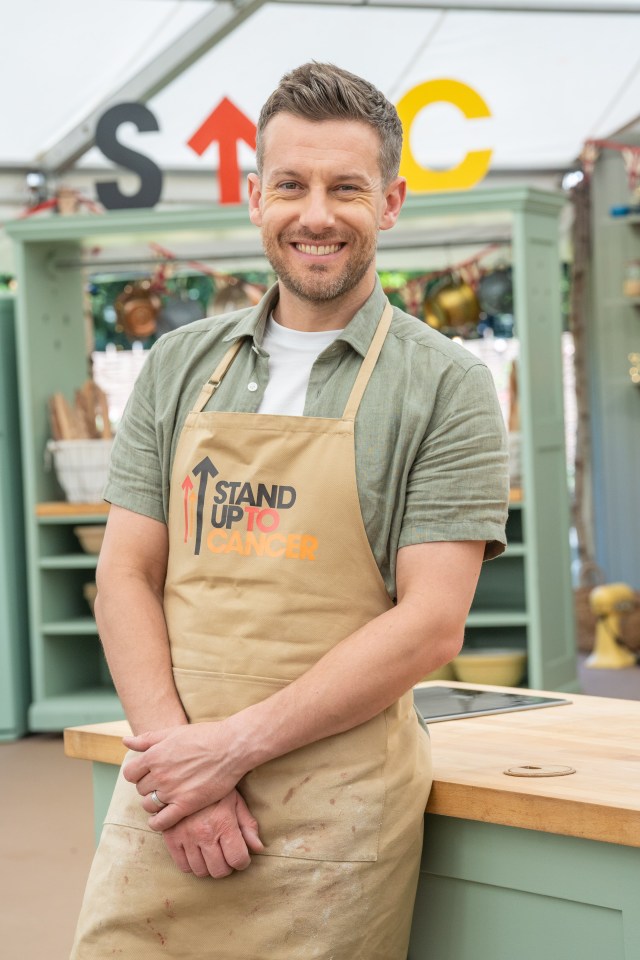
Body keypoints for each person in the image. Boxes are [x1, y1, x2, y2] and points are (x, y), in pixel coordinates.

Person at [71, 62, 508, 959]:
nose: (316, 214)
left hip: (332, 823)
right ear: (253, 195)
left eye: (346, 187)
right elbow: (124, 572)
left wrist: (226, 753)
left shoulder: (446, 386)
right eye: (291, 185)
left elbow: (431, 626)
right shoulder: (179, 364)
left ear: (389, 202)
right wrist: (179, 766)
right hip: (167, 793)